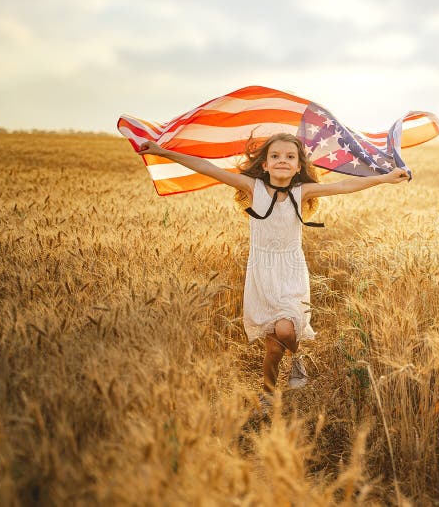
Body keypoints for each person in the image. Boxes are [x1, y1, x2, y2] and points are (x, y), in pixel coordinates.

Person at [138, 133, 408, 404]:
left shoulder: (303, 192)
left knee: (286, 330)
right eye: (275, 156)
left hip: (290, 269)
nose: (283, 161)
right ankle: (268, 393)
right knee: (272, 347)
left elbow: (345, 185)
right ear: (264, 165)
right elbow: (209, 168)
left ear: (299, 166)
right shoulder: (251, 187)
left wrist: (384, 178)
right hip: (261, 272)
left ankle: (299, 358)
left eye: (290, 157)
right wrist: (163, 152)